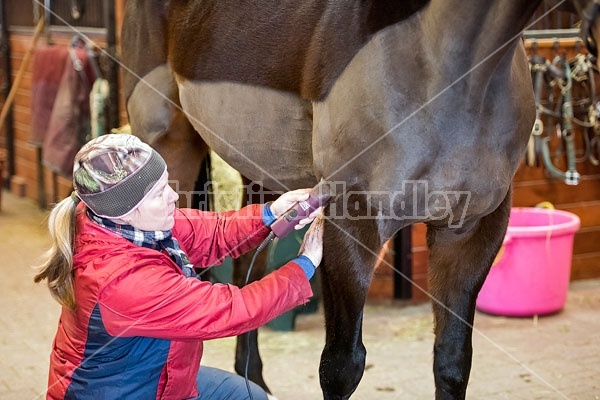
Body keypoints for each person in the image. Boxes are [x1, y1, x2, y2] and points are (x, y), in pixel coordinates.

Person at [34, 133, 325, 400]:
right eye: (160, 193)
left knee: (249, 396)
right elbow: (232, 310)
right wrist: (304, 265)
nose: (173, 196)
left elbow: (213, 232)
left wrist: (269, 213)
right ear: (129, 211)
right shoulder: (121, 282)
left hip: (154, 376)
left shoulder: (125, 224)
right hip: (120, 393)